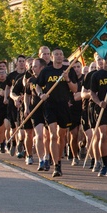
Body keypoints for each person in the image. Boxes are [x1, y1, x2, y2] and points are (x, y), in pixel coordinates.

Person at [33, 48, 79, 178]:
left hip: (64, 106)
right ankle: (56, 165)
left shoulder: (68, 70)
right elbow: (38, 85)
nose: (59, 56)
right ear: (52, 57)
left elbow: (75, 89)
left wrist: (67, 79)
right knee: (53, 135)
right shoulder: (47, 71)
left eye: (61, 54)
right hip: (50, 106)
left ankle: (59, 160)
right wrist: (41, 94)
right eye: (56, 55)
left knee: (61, 136)